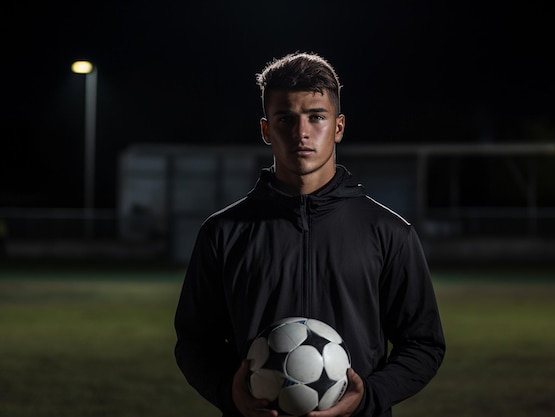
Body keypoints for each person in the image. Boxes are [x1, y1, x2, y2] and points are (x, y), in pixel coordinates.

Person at [174, 51, 445, 417]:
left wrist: (367, 397)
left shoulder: (389, 232)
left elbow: (423, 344)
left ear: (338, 126)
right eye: (285, 118)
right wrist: (230, 393)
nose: (301, 132)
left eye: (316, 117)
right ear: (266, 130)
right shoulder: (223, 233)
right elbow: (195, 341)